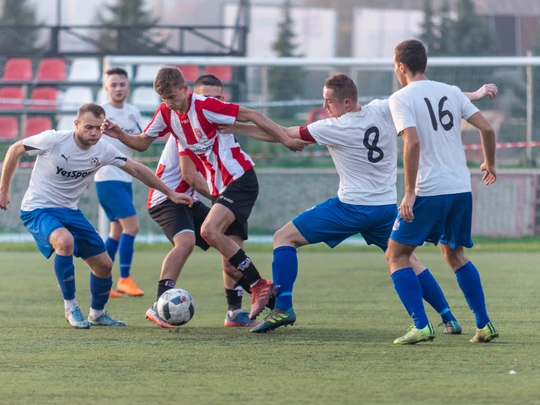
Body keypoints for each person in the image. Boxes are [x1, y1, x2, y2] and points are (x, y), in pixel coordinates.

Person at [222, 73, 497, 334]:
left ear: (347, 102)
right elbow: (431, 97)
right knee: (408, 261)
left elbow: (281, 133)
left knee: (283, 238)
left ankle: (283, 307)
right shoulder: (384, 109)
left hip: (351, 208)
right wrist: (475, 94)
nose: (324, 106)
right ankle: (447, 316)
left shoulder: (335, 126)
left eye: (328, 101)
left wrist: (235, 127)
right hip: (385, 208)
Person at [101, 66, 307, 320]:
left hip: (240, 179)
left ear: (185, 90)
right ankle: (268, 300)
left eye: (174, 98)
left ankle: (257, 288)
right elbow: (143, 143)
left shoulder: (205, 107)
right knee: (230, 256)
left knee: (208, 232)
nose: (171, 104)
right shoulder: (167, 113)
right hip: (219, 188)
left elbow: (251, 115)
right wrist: (119, 133)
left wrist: (285, 138)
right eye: (165, 99)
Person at [0, 103, 192, 329]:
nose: (94, 133)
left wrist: (169, 192)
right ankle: (71, 307)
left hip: (70, 211)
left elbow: (136, 169)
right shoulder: (52, 140)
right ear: (76, 124)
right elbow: (14, 149)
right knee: (65, 241)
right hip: (37, 208)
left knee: (104, 265)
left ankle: (97, 314)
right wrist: (3, 190)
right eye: (89, 127)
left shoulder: (104, 149)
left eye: (98, 128)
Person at [386, 39, 498, 344]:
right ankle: (484, 324)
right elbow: (487, 129)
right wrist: (489, 163)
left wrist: (409, 193)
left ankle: (421, 325)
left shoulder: (400, 98)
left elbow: (413, 143)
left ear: (401, 66)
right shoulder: (449, 91)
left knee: (396, 255)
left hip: (429, 189)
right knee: (454, 253)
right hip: (461, 187)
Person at [145, 74, 265, 328]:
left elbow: (255, 127)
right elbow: (189, 175)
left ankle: (236, 311)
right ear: (192, 96)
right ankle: (159, 305)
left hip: (197, 195)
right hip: (169, 196)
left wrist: (289, 136)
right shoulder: (183, 124)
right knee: (189, 239)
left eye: (217, 98)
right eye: (206, 97)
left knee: (230, 247)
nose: (211, 102)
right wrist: (222, 199)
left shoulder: (220, 124)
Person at [95, 67, 144, 298]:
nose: (118, 88)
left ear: (128, 87)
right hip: (108, 177)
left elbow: (139, 142)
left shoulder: (134, 112)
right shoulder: (100, 112)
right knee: (132, 227)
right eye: (113, 84)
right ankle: (124, 279)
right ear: (106, 88)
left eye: (122, 84)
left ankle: (102, 280)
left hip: (125, 177)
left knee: (116, 230)